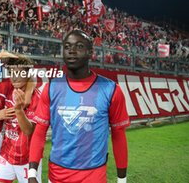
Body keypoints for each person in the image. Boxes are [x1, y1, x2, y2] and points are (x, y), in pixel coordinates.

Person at [28, 29, 130, 183]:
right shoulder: (51, 88)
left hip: (94, 176)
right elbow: (39, 132)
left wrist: (122, 179)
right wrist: (32, 173)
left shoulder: (111, 89)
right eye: (67, 46)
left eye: (79, 46)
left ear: (90, 53)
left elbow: (119, 134)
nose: (72, 51)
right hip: (57, 176)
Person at [0, 55, 42, 183]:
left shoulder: (37, 98)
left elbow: (29, 131)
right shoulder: (8, 89)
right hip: (7, 154)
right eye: (11, 73)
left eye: (19, 73)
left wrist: (19, 111)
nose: (14, 77)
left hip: (28, 158)